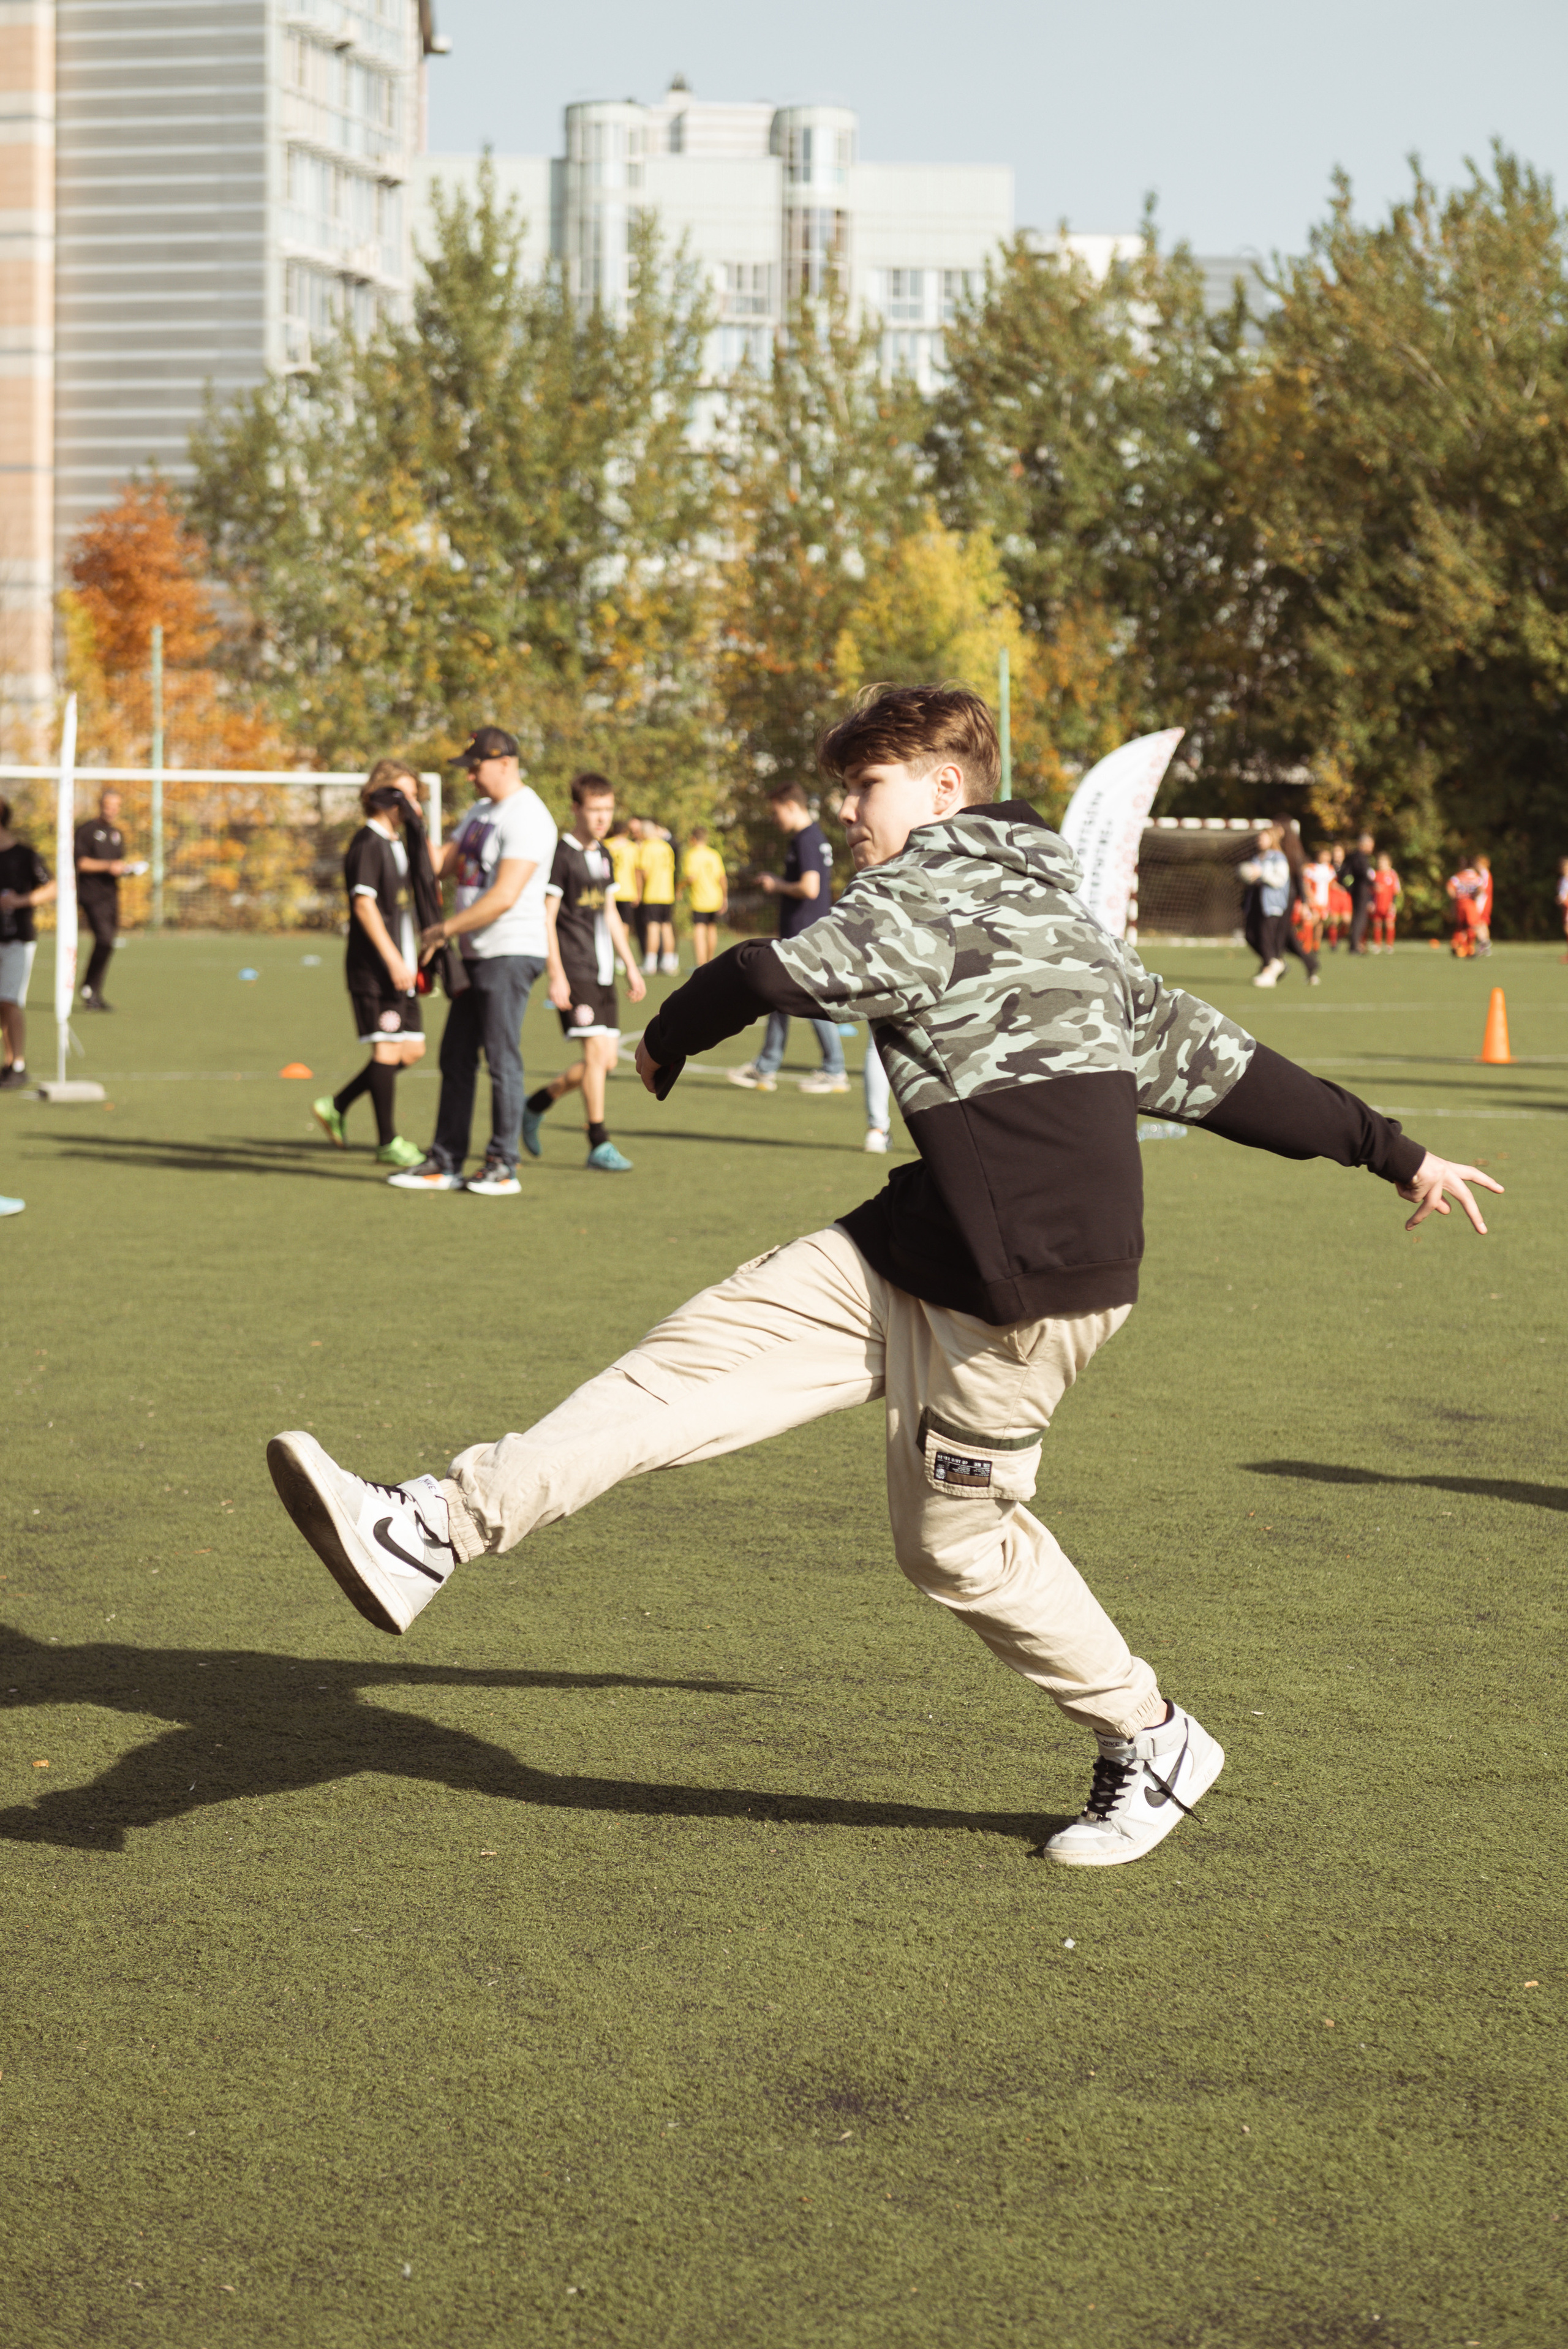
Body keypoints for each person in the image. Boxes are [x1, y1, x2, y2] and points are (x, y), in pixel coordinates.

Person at [266, 682, 1502, 1874]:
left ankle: (1151, 1736)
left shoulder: (932, 887)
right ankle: (427, 1526)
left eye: (865, 784)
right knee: (685, 1362)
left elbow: (761, 973)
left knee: (951, 1551)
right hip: (913, 1246)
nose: (848, 811)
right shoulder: (1066, 920)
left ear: (947, 785)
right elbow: (1231, 1070)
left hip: (1025, 1296)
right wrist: (1394, 1153)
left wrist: (659, 1036)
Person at [388, 725, 557, 1196]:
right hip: (475, 952)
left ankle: (504, 1162)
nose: (471, 778)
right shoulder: (482, 811)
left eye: (476, 768)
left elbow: (504, 896)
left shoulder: (529, 817)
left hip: (509, 952)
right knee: (456, 1056)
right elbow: (440, 862)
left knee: (501, 1058)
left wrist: (442, 929)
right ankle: (445, 1160)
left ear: (504, 763)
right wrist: (410, 821)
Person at [524, 772, 646, 1172]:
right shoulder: (561, 855)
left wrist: (630, 964)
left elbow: (610, 913)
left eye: (608, 810)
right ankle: (598, 1141)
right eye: (594, 810)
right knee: (595, 1054)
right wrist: (555, 973)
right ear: (576, 808)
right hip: (575, 968)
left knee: (606, 1061)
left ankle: (538, 1102)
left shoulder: (604, 854)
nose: (601, 818)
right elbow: (547, 917)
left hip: (604, 969)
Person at [312, 764, 428, 1171]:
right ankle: (387, 1142)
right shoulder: (368, 842)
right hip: (375, 968)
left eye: (415, 795)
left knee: (412, 1050)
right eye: (403, 794)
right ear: (381, 796)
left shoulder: (400, 842)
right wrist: (394, 958)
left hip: (403, 965)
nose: (412, 803)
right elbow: (364, 905)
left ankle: (337, 1103)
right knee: (387, 1047)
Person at [728, 781, 846, 1094]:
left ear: (791, 806)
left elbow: (810, 888)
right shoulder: (810, 838)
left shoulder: (807, 839)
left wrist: (777, 884)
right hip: (807, 932)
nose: (774, 818)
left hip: (804, 935)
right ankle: (767, 1066)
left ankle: (833, 1069)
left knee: (807, 1000)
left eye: (776, 811)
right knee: (780, 998)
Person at [0, 799, 56, 1089]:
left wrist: (18, 902)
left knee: (10, 1000)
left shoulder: (24, 855)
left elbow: (53, 887)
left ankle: (17, 1063)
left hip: (17, 940)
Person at [74, 788, 134, 1010]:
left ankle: (92, 990)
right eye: (108, 806)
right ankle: (89, 989)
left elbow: (117, 863)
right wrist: (109, 866)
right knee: (105, 939)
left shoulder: (117, 834)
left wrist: (126, 869)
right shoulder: (87, 830)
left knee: (108, 943)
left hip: (111, 895)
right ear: (100, 805)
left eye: (116, 806)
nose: (112, 810)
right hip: (91, 895)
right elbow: (80, 863)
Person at [1239, 824, 1292, 987]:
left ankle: (1270, 971)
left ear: (1271, 839)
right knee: (1250, 935)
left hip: (1271, 905)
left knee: (1265, 939)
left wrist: (1261, 874)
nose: (1259, 840)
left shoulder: (1278, 858)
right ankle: (1275, 963)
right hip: (1255, 904)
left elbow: (1280, 880)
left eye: (1263, 837)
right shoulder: (1256, 858)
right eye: (1258, 838)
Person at [635, 820, 678, 975]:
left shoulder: (647, 847)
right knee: (666, 927)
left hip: (653, 894)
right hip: (667, 894)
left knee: (653, 927)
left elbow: (643, 873)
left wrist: (638, 891)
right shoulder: (666, 847)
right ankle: (668, 962)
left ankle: (650, 963)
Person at [681, 826, 728, 966]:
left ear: (693, 839)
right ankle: (710, 961)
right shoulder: (714, 854)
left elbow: (691, 878)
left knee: (699, 929)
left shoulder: (691, 854)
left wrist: (679, 887)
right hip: (715, 898)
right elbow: (722, 878)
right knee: (712, 928)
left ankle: (701, 963)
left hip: (700, 899)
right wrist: (725, 897)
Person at [1341, 832, 1376, 956]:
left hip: (1357, 890)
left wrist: (1349, 888)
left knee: (1358, 917)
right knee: (1361, 918)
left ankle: (1355, 943)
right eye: (1370, 844)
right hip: (1361, 890)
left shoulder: (1353, 856)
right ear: (1363, 844)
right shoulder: (1360, 857)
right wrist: (1374, 885)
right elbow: (1364, 874)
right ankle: (1355, 945)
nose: (1372, 848)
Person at [1299, 846, 1333, 958]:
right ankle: (1303, 941)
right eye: (1323, 855)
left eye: (1327, 855)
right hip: (1314, 900)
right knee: (1314, 919)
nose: (1325, 857)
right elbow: (1306, 885)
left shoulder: (1330, 869)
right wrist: (1311, 897)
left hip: (1325, 901)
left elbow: (1332, 884)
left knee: (1320, 923)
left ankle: (1316, 946)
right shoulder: (1311, 868)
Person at [1447, 856, 1482, 958]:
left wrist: (1455, 898)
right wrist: (1474, 896)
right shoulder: (1475, 876)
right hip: (1470, 903)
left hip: (1459, 903)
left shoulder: (1459, 876)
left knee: (1461, 925)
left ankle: (1456, 944)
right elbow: (1481, 889)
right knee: (1471, 926)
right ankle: (1470, 949)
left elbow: (1450, 887)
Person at [1370, 852, 1403, 952]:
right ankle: (1377, 945)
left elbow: (1396, 891)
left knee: (1390, 923)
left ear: (1389, 863)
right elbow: (1371, 891)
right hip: (1377, 904)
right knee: (1377, 924)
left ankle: (1389, 945)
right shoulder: (1375, 874)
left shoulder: (1393, 875)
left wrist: (1394, 904)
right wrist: (1371, 902)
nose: (1381, 863)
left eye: (1384, 862)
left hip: (1388, 904)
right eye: (1380, 861)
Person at [1325, 846, 1352, 951]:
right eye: (1336, 854)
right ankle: (1333, 943)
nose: (1338, 856)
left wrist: (1348, 886)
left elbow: (1350, 881)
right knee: (1334, 920)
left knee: (1347, 921)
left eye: (1340, 854)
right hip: (1334, 896)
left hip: (1345, 896)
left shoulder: (1348, 867)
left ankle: (1340, 937)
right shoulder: (1329, 868)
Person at [1471, 853, 1493, 956]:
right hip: (1485, 901)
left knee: (1477, 923)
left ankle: (1484, 943)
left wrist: (1474, 896)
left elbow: (1482, 889)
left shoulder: (1484, 873)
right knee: (1483, 923)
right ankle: (1485, 946)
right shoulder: (1486, 873)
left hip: (1482, 902)